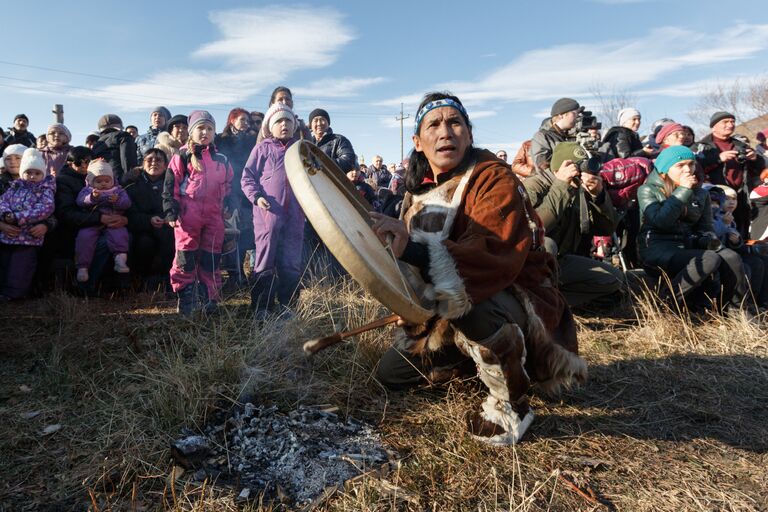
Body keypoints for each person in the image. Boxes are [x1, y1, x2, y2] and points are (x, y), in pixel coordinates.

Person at [371, 92, 585, 445]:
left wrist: (410, 247)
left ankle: (511, 401)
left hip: (513, 299)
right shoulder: (415, 194)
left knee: (465, 301)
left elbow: (488, 254)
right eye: (434, 125)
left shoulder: (493, 177)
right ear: (418, 142)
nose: (445, 132)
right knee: (391, 376)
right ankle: (472, 361)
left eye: (454, 123)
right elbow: (409, 266)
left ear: (468, 134)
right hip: (440, 309)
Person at [637, 146, 746, 312]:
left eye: (691, 164)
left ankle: (734, 310)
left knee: (731, 257)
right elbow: (661, 221)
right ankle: (666, 303)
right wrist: (683, 190)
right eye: (680, 166)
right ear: (665, 170)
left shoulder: (702, 194)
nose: (688, 170)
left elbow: (706, 227)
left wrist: (709, 239)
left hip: (688, 244)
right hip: (657, 247)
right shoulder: (647, 190)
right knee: (709, 259)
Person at [524, 142, 623, 307]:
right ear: (558, 169)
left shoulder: (579, 187)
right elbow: (535, 227)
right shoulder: (533, 186)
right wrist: (562, 185)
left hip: (561, 261)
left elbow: (606, 228)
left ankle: (556, 304)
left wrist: (598, 197)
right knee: (548, 244)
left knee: (613, 278)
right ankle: (533, 305)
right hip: (530, 262)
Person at [163, 111, 233, 316]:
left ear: (214, 132)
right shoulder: (182, 156)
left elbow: (228, 185)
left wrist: (228, 204)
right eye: (200, 128)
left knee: (211, 257)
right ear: (191, 131)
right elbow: (171, 186)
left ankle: (209, 297)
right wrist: (170, 211)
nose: (205, 132)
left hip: (214, 216)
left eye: (209, 128)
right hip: (187, 216)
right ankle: (185, 296)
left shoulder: (221, 158)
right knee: (186, 257)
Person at [241, 103, 304, 319]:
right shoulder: (262, 148)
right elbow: (247, 177)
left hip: (295, 216)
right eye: (279, 121)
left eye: (288, 120)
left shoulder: (300, 149)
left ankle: (288, 306)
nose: (284, 124)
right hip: (268, 215)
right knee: (265, 260)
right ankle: (262, 307)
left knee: (291, 261)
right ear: (270, 126)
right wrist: (257, 197)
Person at [0, 148, 55, 301]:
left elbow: (46, 209)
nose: (32, 176)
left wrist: (17, 218)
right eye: (28, 173)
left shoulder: (44, 189)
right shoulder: (13, 187)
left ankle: (14, 294)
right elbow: (2, 202)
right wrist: (4, 217)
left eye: (37, 173)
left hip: (28, 237)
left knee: (20, 268)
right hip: (6, 236)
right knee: (5, 264)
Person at [697, 111, 763, 237]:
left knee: (740, 230)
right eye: (725, 122)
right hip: (715, 197)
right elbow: (696, 168)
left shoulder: (740, 145)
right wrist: (718, 159)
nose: (730, 124)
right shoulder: (702, 146)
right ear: (713, 126)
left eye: (732, 121)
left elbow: (760, 169)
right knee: (718, 230)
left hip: (740, 195)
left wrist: (755, 158)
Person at [215, 107, 258, 282]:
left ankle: (251, 273)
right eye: (242, 120)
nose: (246, 124)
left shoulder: (251, 140)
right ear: (232, 120)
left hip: (247, 192)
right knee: (231, 234)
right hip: (228, 192)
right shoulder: (220, 140)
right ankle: (234, 274)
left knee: (248, 233)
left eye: (248, 121)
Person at [74, 161, 132, 283]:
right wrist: (92, 198)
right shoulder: (88, 190)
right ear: (91, 181)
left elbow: (127, 204)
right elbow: (80, 201)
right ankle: (83, 267)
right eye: (99, 181)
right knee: (84, 237)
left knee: (120, 234)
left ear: (112, 180)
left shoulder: (118, 190)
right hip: (93, 222)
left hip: (114, 220)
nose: (103, 184)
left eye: (107, 181)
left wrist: (118, 201)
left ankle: (120, 259)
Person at [125, 149, 175, 291]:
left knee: (170, 239)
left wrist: (168, 218)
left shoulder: (172, 183)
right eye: (150, 160)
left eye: (159, 160)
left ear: (165, 165)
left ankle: (168, 278)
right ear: (143, 164)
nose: (154, 163)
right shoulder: (131, 184)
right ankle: (143, 280)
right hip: (142, 228)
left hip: (167, 226)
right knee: (144, 243)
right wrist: (149, 220)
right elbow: (129, 213)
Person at [530, 97, 581, 172]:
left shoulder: (575, 135)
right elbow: (543, 167)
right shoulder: (542, 136)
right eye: (574, 113)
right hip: (556, 182)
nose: (577, 116)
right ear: (561, 115)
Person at [92, 114, 138, 185]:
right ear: (120, 126)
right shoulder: (123, 136)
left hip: (101, 184)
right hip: (120, 182)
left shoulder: (96, 143)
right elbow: (127, 160)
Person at [309, 108, 357, 172]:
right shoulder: (307, 142)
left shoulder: (339, 140)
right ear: (311, 125)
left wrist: (323, 164)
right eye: (315, 120)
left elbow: (349, 160)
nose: (319, 123)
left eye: (322, 119)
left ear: (328, 123)